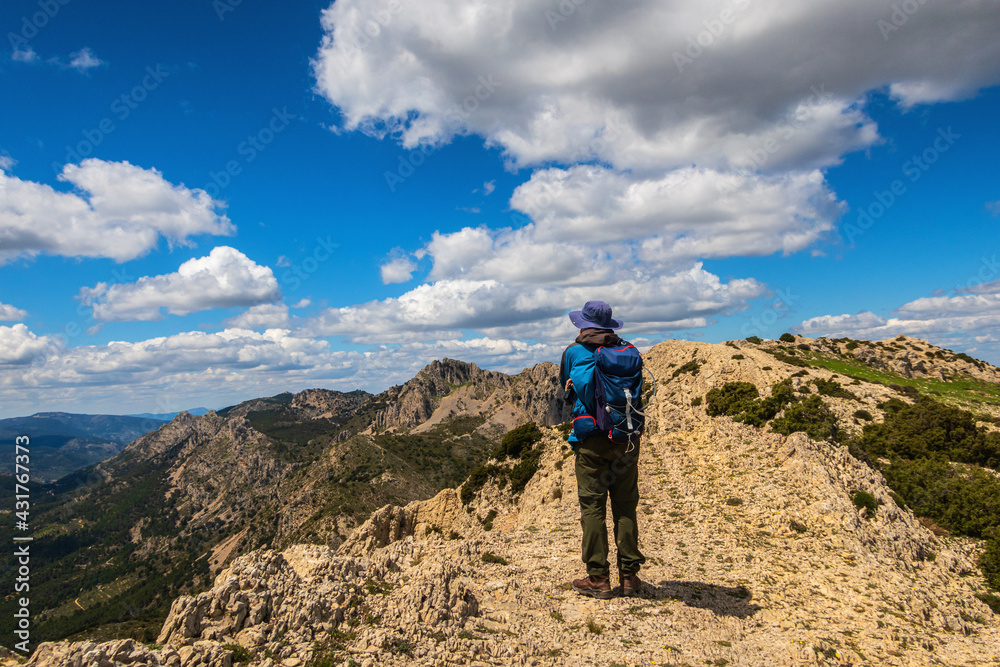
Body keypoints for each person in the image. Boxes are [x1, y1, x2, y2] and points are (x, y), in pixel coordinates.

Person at [559, 300, 646, 599]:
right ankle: (630, 576)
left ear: (582, 324)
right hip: (626, 438)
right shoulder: (628, 349)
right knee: (625, 506)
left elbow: (567, 391)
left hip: (592, 439)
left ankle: (598, 578)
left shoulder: (573, 352)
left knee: (592, 506)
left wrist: (574, 387)